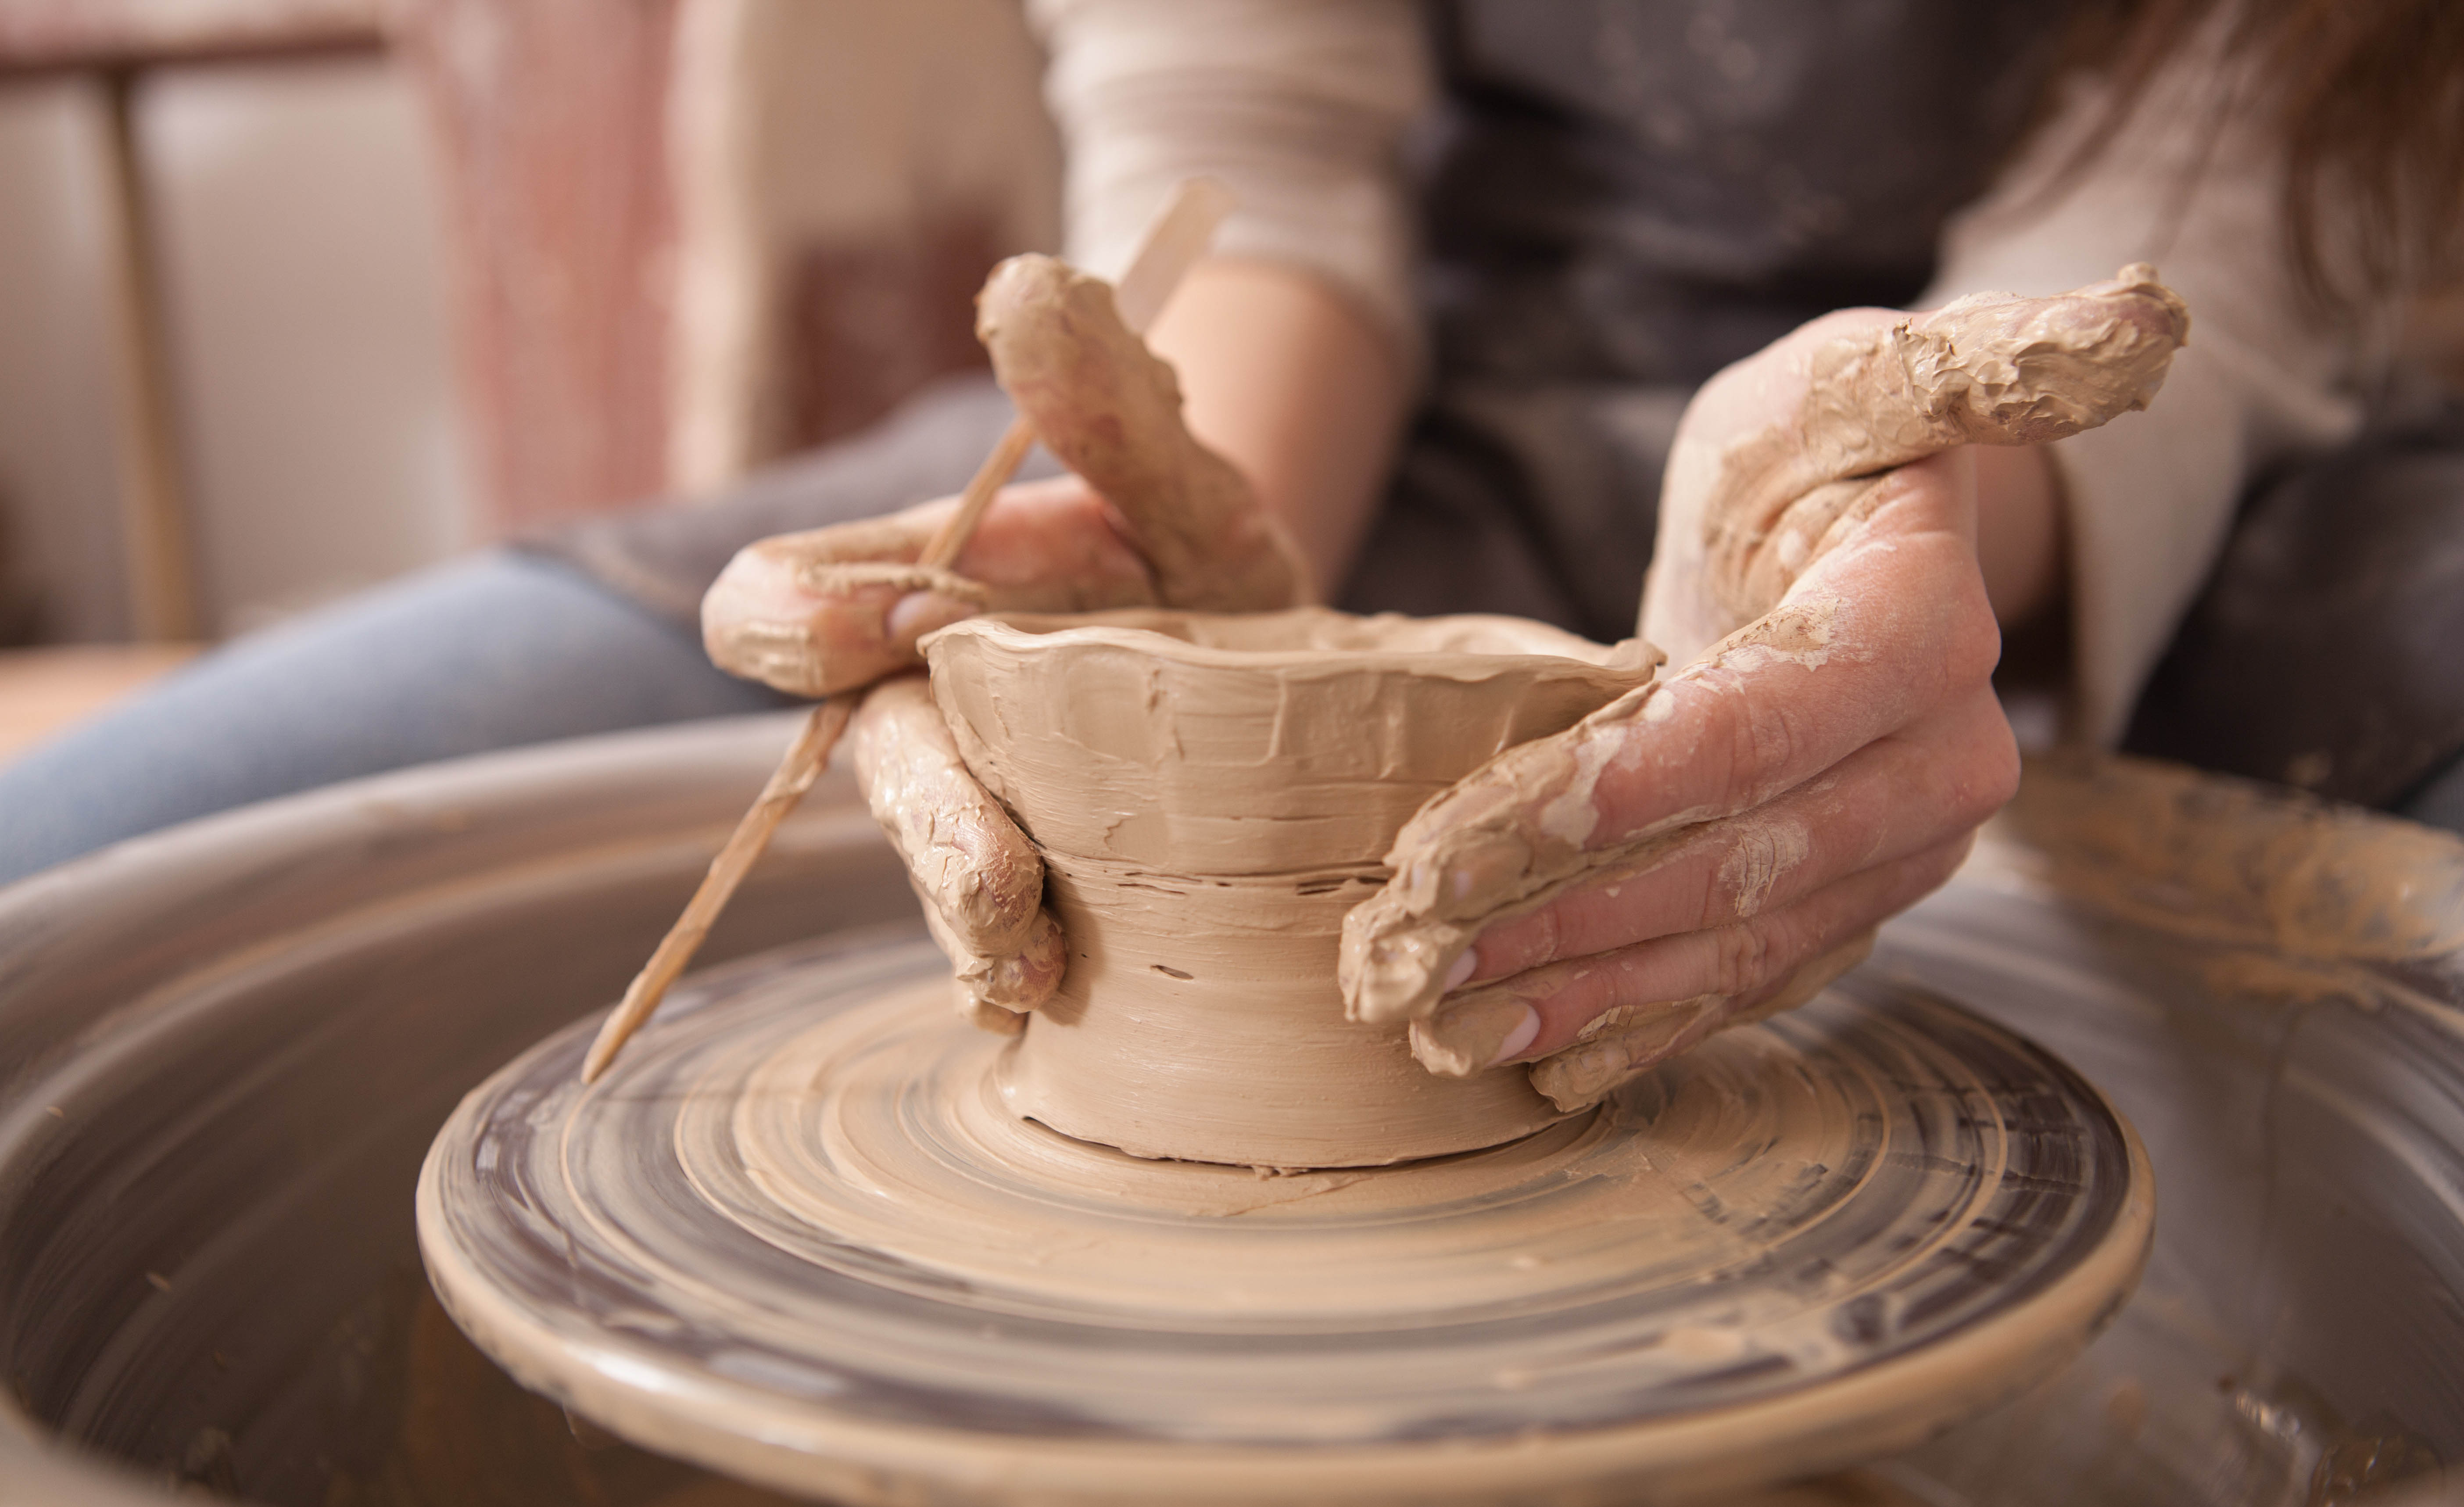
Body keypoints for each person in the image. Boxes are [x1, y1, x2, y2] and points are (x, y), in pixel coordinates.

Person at [3, 2, 2458, 1077]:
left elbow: (2225, 220)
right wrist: (1201, 536)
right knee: (80, 891)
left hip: (2140, 443)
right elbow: (1251, 136)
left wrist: (1901, 488)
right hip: (1415, 403)